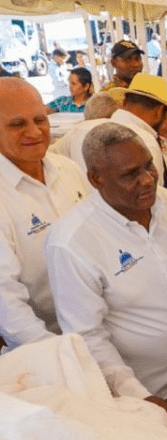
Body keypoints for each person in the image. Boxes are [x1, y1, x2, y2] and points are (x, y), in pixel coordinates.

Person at [45, 122, 167, 429]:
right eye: (130, 174)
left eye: (148, 166)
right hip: (138, 393)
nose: (147, 180)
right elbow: (86, 335)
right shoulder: (72, 241)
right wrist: (136, 395)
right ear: (95, 178)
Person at [0, 78, 90, 351]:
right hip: (42, 349)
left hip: (99, 332)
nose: (35, 132)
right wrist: (61, 355)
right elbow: (6, 300)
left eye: (40, 119)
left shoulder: (68, 169)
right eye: (17, 124)